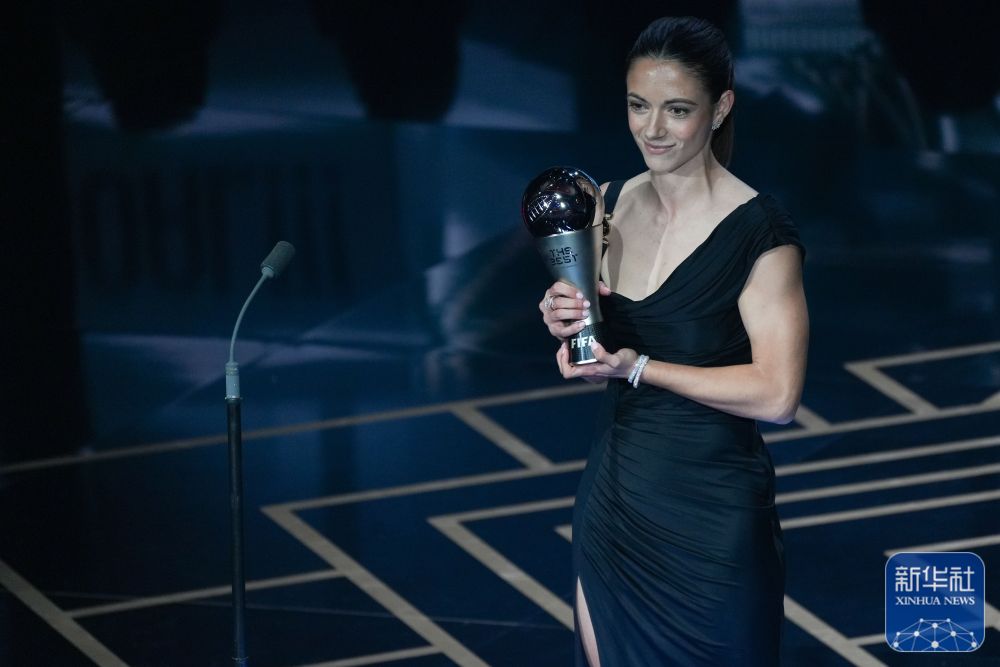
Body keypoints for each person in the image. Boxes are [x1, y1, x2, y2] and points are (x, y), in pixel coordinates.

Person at [538, 16, 808, 666]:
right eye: (639, 105)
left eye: (677, 110)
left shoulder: (761, 234)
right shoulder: (603, 204)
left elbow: (778, 395)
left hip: (715, 521)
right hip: (615, 502)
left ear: (721, 108)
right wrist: (563, 318)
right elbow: (591, 343)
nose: (652, 129)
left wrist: (639, 367)